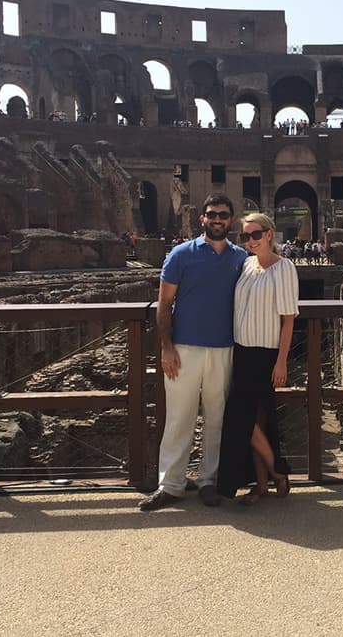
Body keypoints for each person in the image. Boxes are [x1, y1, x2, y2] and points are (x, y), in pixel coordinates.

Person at [139, 194, 248, 511]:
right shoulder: (181, 254)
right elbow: (164, 304)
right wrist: (166, 346)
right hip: (184, 349)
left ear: (231, 220)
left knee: (217, 419)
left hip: (224, 349)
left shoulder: (240, 258)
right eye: (212, 214)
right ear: (202, 219)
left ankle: (208, 481)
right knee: (179, 417)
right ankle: (170, 485)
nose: (217, 220)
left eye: (223, 215)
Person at [217, 212, 299, 505]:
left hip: (264, 355)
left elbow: (288, 320)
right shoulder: (247, 264)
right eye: (245, 236)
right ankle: (261, 484)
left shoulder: (284, 267)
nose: (250, 241)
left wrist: (281, 361)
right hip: (241, 351)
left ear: (269, 234)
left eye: (255, 234)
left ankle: (278, 469)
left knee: (242, 419)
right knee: (257, 421)